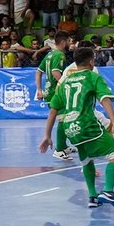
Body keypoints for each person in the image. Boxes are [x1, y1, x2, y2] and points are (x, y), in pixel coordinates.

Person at [39, 46, 114, 208]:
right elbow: (105, 98)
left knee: (86, 161)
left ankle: (93, 197)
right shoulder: (92, 76)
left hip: (70, 128)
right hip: (87, 124)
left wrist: (47, 135)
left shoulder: (65, 82)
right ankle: (108, 190)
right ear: (91, 61)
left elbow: (53, 109)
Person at [35, 31, 74, 161]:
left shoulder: (50, 54)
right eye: (69, 41)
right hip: (55, 92)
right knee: (63, 120)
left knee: (64, 119)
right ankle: (59, 150)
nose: (70, 43)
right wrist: (67, 85)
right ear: (63, 42)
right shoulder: (59, 55)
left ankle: (63, 146)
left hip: (48, 92)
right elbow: (56, 72)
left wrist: (39, 90)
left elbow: (38, 71)